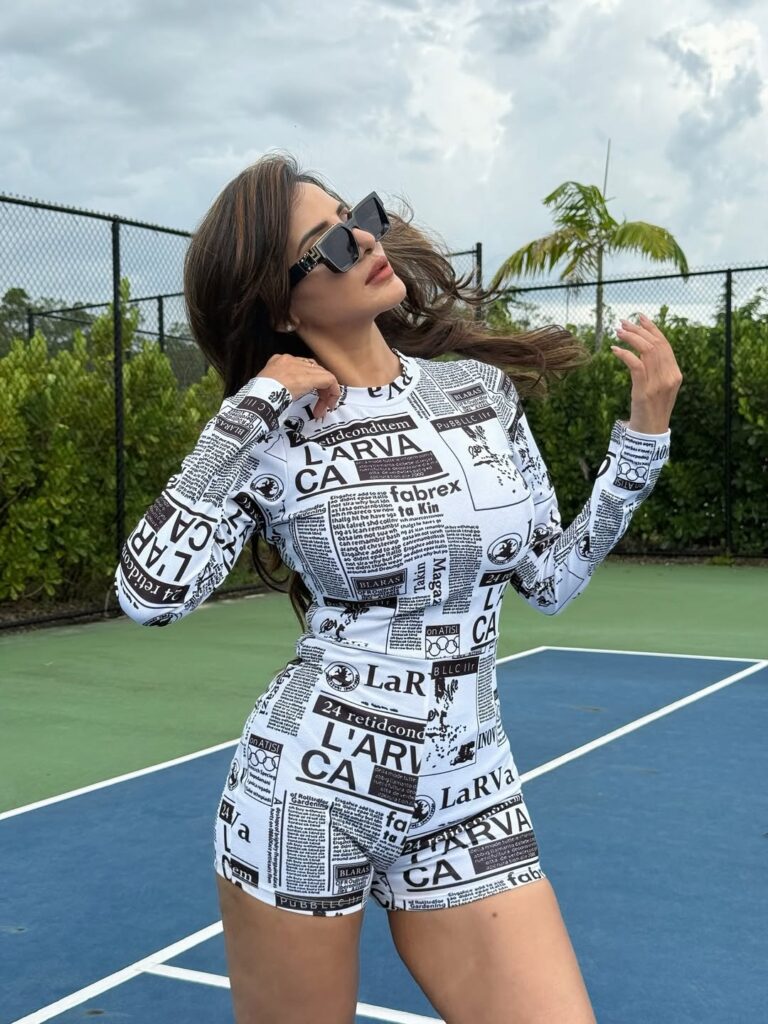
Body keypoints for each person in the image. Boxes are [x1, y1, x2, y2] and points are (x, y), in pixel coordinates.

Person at [114, 151, 682, 1024]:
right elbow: (150, 595)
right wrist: (249, 408)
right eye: (333, 244)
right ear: (280, 303)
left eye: (360, 217)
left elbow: (549, 580)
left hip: (471, 791)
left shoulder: (480, 392)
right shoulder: (270, 433)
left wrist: (641, 443)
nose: (367, 241)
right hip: (307, 796)